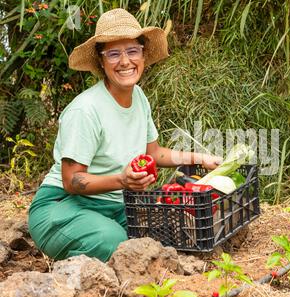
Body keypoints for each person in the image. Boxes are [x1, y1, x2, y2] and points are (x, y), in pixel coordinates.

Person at [28, 8, 221, 262]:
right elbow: (71, 181)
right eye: (113, 54)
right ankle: (79, 266)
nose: (125, 61)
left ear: (143, 54)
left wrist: (200, 158)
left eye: (132, 51)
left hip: (117, 206)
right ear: (101, 61)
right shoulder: (86, 110)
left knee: (167, 234)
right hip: (62, 206)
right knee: (116, 245)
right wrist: (123, 181)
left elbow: (154, 153)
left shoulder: (139, 98)